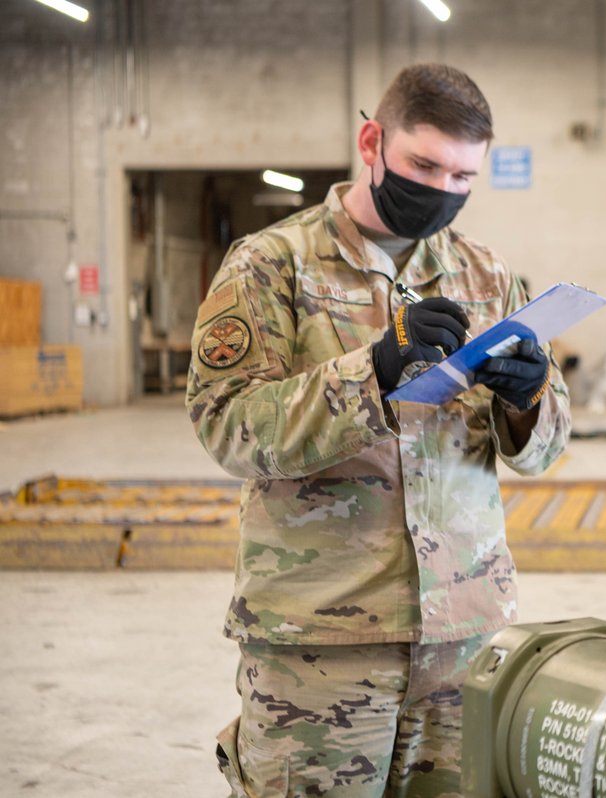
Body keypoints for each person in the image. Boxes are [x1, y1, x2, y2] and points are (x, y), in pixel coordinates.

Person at [186, 63, 570, 797]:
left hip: (465, 639)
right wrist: (375, 371)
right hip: (322, 644)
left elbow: (548, 450)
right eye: (425, 164)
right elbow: (227, 425)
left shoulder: (487, 275)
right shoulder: (272, 267)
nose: (443, 190)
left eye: (463, 176)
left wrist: (530, 400)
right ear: (373, 141)